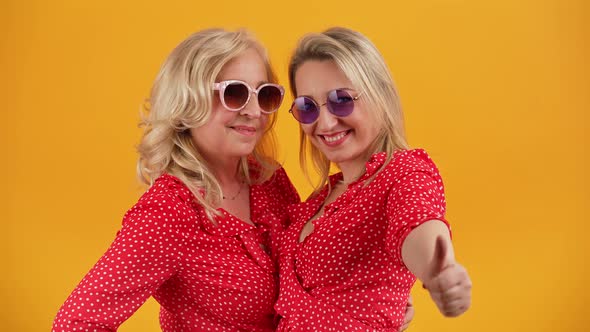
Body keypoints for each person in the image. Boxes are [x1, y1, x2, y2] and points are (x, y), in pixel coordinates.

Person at [52, 28, 301, 332]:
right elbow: (76, 323)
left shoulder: (269, 180)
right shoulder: (168, 214)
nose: (254, 111)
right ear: (187, 100)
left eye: (265, 94)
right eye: (234, 93)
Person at [275, 27, 472, 331]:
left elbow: (417, 223)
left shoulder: (403, 173)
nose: (325, 122)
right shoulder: (319, 200)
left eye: (342, 100)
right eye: (307, 107)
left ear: (380, 94)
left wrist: (438, 272)